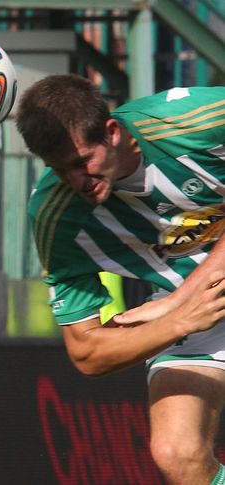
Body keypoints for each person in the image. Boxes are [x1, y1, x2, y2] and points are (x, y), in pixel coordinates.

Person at [16, 74, 225, 485]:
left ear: (111, 132)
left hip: (194, 299)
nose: (77, 181)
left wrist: (180, 299)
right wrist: (176, 322)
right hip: (198, 313)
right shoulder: (54, 217)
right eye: (60, 170)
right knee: (175, 452)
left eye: (82, 162)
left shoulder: (191, 120)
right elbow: (87, 353)